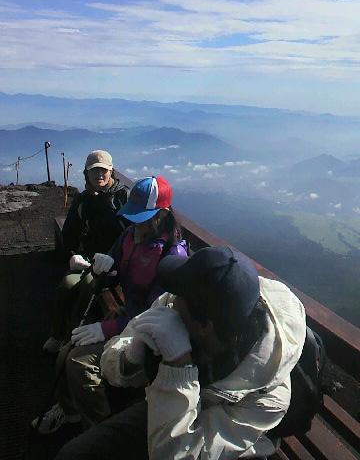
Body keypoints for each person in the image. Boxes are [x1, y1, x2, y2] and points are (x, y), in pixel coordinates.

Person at [55, 245, 307, 460]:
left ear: (205, 326)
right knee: (73, 454)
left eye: (179, 299)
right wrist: (131, 357)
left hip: (224, 441)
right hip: (169, 405)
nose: (171, 301)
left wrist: (178, 365)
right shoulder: (178, 304)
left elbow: (179, 454)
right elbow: (112, 365)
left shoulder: (268, 397)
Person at [33, 175, 188, 435]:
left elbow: (155, 315)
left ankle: (102, 431)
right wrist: (102, 265)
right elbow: (114, 265)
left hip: (148, 335)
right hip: (127, 317)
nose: (134, 224)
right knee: (66, 352)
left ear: (160, 215)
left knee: (79, 363)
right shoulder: (130, 235)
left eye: (142, 219)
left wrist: (108, 329)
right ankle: (70, 412)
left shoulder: (172, 257)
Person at [43, 150, 129, 354]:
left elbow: (131, 233)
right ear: (86, 174)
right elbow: (70, 234)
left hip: (115, 262)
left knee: (90, 286)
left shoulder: (122, 197)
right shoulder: (82, 201)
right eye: (94, 171)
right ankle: (57, 334)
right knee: (67, 285)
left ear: (111, 172)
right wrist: (73, 255)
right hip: (88, 259)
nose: (99, 175)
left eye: (103, 171)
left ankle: (70, 339)